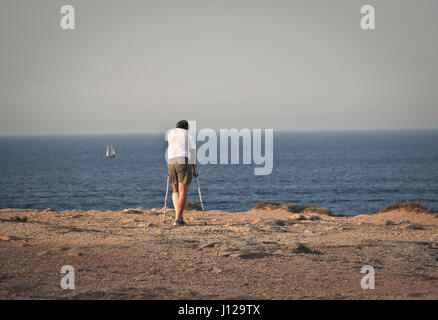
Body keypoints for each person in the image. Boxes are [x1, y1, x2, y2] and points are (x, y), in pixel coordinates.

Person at [166, 120, 199, 226]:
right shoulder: (189, 134)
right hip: (183, 160)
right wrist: (195, 170)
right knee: (183, 191)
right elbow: (192, 153)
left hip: (171, 161)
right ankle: (178, 219)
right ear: (187, 127)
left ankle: (177, 216)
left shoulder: (171, 133)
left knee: (175, 190)